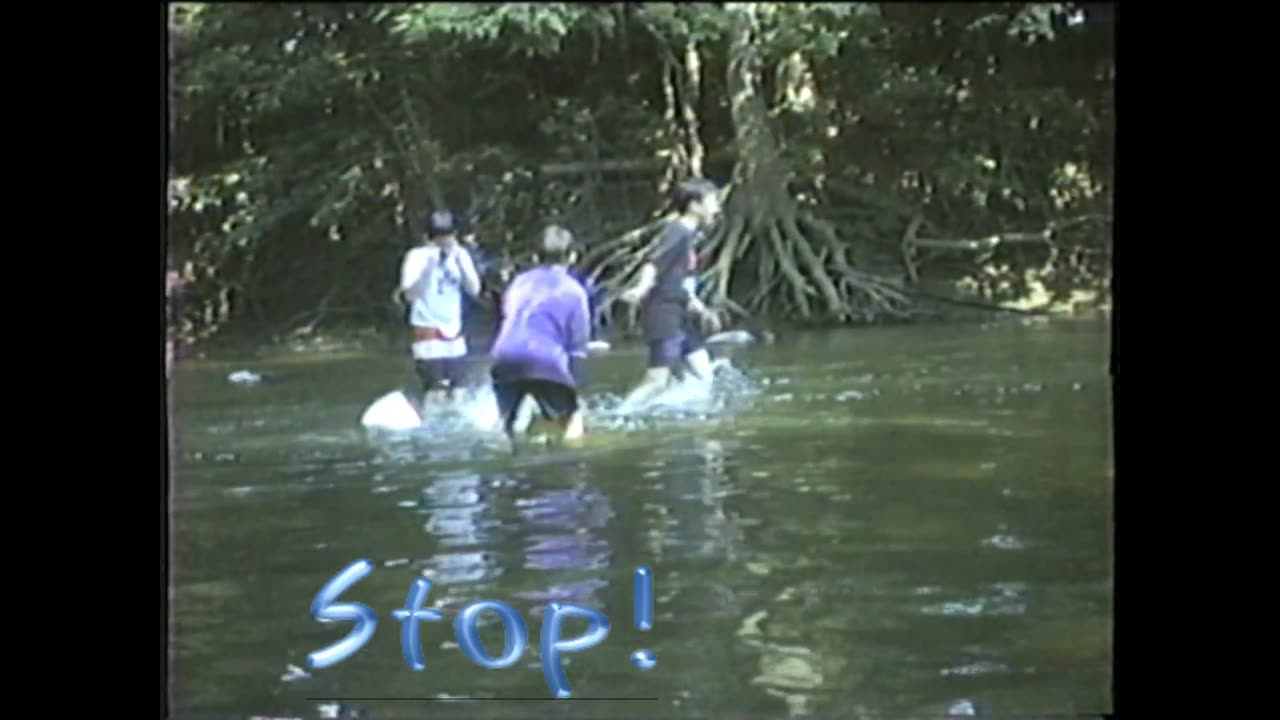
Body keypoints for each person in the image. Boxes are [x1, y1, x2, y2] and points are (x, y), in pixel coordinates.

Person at [617, 178, 723, 411]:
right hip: (664, 313)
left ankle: (683, 415)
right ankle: (619, 415)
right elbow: (653, 262)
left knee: (704, 374)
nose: (717, 207)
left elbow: (682, 277)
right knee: (657, 380)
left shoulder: (691, 235)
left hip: (681, 313)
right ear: (694, 206)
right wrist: (642, 288)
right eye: (712, 201)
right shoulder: (677, 232)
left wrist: (698, 306)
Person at [488, 225, 592, 443]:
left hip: (504, 357)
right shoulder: (574, 291)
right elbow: (577, 350)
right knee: (571, 422)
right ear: (572, 256)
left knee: (507, 428)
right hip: (546, 360)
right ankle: (571, 455)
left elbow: (507, 318)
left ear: (535, 257)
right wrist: (576, 395)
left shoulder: (518, 283)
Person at [395, 210, 483, 407]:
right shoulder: (416, 256)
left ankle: (455, 423)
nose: (444, 241)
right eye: (438, 237)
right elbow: (409, 294)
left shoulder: (460, 255)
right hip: (428, 330)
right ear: (429, 237)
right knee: (436, 392)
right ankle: (432, 421)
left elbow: (474, 289)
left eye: (448, 235)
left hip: (454, 332)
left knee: (459, 391)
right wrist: (428, 266)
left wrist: (460, 261)